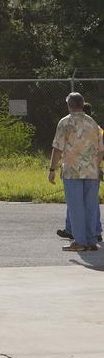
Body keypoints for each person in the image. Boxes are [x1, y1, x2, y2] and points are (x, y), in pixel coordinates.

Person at [49, 92, 103, 252]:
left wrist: (52, 169)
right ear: (83, 104)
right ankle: (91, 240)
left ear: (69, 105)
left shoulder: (65, 122)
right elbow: (101, 150)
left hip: (72, 171)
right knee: (90, 206)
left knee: (75, 207)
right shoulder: (93, 123)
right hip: (92, 172)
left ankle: (79, 241)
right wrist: (96, 165)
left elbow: (57, 148)